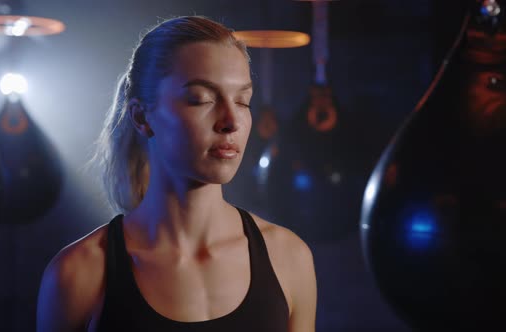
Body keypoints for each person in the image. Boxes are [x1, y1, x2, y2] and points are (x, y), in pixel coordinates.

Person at [36, 15, 317, 332]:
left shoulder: (289, 258)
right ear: (142, 117)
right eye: (202, 99)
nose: (231, 121)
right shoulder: (79, 272)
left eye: (242, 101)